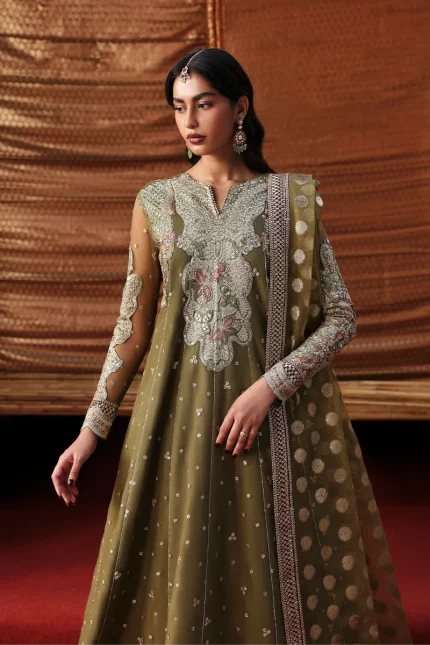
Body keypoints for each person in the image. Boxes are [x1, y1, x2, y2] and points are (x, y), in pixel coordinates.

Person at [51, 48, 412, 645]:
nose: (189, 121)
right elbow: (132, 329)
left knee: (258, 572)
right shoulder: (156, 202)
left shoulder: (289, 202)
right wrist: (91, 432)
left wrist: (270, 388)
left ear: (239, 107)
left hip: (267, 420)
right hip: (175, 421)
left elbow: (341, 317)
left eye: (205, 104)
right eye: (178, 107)